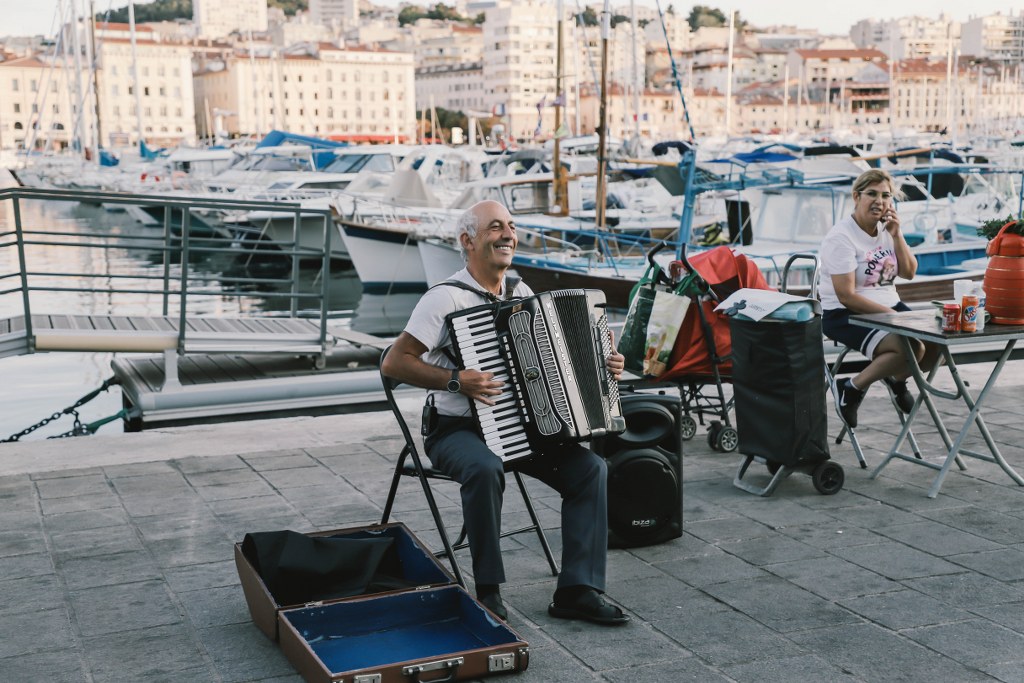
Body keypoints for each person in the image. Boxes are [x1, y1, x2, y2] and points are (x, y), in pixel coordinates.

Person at [381, 199, 629, 626]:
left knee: (591, 470)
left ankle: (578, 590)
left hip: (522, 427)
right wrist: (458, 379)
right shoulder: (443, 299)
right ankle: (488, 591)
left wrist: (604, 360)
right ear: (468, 240)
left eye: (511, 226)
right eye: (495, 227)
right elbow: (394, 363)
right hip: (455, 431)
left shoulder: (521, 293)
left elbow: (555, 359)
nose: (508, 235)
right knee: (485, 468)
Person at [819, 169, 939, 429]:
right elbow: (846, 295)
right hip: (844, 313)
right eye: (872, 194)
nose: (880, 201)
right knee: (913, 348)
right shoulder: (841, 237)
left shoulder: (886, 230)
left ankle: (896, 379)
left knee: (938, 345)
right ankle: (850, 387)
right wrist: (893, 318)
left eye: (886, 195)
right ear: (856, 196)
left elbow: (909, 272)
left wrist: (897, 234)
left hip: (889, 305)